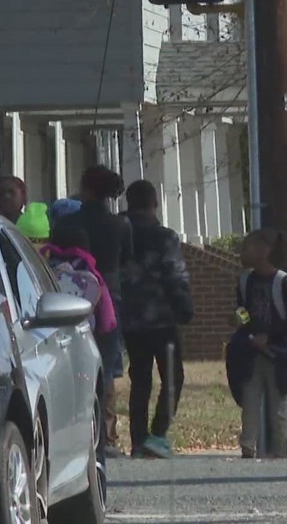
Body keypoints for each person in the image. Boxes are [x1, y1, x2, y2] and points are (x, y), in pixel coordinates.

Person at [53, 165, 132, 458]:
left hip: (70, 294)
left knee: (71, 362)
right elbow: (128, 262)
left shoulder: (66, 223)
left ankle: (74, 433)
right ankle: (106, 435)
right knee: (106, 367)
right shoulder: (120, 225)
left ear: (85, 188)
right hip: (109, 296)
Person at [119, 180, 194, 459]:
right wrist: (184, 306)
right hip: (162, 318)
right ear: (155, 203)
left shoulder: (120, 232)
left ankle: (138, 440)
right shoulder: (164, 237)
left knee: (140, 380)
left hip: (130, 318)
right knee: (173, 378)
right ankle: (158, 433)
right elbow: (174, 274)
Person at [235, 228, 287, 458]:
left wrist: (270, 337)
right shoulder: (245, 280)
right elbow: (242, 309)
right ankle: (248, 445)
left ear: (265, 250)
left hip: (279, 353)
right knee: (250, 398)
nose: (242, 252)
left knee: (279, 405)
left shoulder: (283, 282)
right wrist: (243, 323)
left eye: (248, 247)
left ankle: (279, 450)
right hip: (252, 350)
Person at [39, 225, 117, 335]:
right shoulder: (91, 275)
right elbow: (108, 321)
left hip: (45, 333)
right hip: (83, 334)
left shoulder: (40, 268)